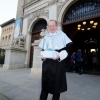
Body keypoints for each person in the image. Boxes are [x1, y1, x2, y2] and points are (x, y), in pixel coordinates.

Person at [39, 19, 72, 100]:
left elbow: (66, 50)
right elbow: (42, 50)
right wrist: (42, 56)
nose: (51, 27)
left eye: (53, 25)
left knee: (56, 86)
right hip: (47, 64)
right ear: (48, 27)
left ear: (56, 26)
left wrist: (59, 56)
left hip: (57, 63)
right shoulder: (46, 37)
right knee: (45, 84)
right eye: (50, 26)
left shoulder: (62, 35)